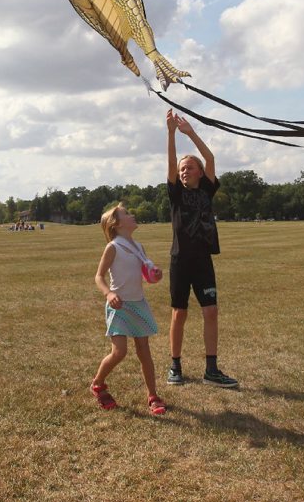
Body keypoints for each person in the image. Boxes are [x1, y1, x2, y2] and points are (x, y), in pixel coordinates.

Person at [166, 109, 238, 388]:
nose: (185, 171)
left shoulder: (206, 190)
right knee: (179, 313)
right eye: (183, 169)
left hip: (203, 260)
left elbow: (210, 158)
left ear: (199, 173)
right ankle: (175, 365)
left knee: (210, 311)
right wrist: (171, 133)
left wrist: (190, 133)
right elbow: (171, 163)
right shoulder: (176, 193)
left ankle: (212, 369)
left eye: (189, 167)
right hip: (180, 260)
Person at [90, 203, 167, 416]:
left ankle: (153, 396)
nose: (132, 215)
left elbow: (143, 274)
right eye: (127, 214)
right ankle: (98, 384)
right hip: (119, 305)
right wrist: (109, 294)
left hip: (138, 303)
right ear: (116, 223)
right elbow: (99, 276)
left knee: (144, 350)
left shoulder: (139, 247)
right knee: (119, 351)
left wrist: (155, 275)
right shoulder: (113, 247)